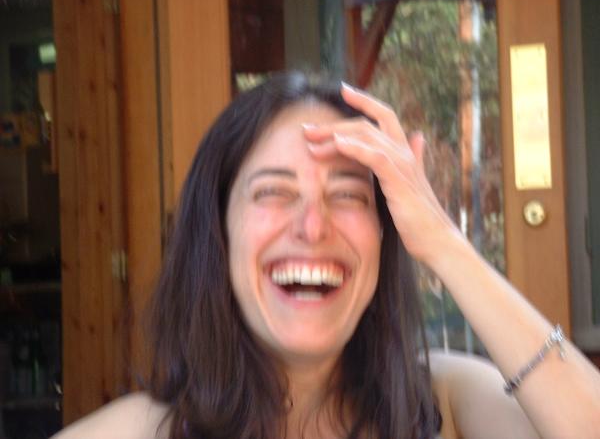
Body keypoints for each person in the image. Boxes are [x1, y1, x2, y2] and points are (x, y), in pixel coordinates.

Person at [53, 72, 600, 439]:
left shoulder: (445, 402)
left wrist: (443, 243)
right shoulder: (142, 431)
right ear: (217, 234)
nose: (313, 226)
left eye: (347, 196)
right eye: (273, 192)